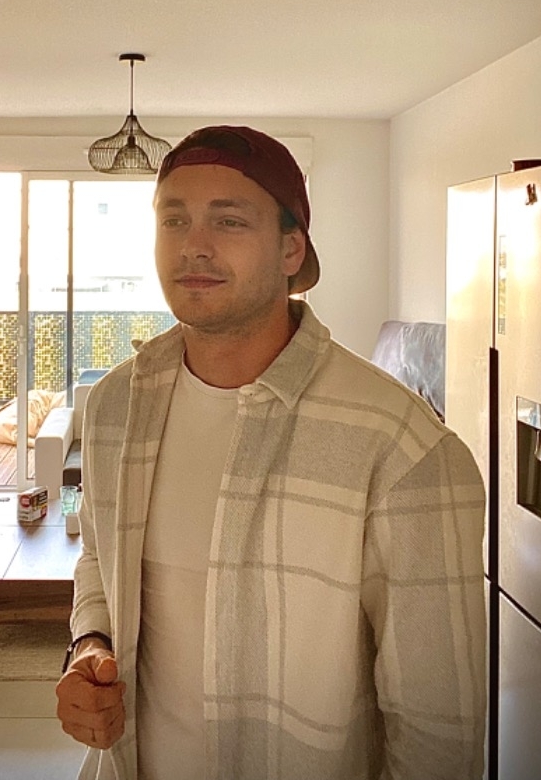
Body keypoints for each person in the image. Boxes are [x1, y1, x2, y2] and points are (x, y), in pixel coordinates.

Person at [56, 125, 486, 780]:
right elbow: (96, 557)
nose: (193, 245)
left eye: (229, 221)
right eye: (174, 219)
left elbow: (437, 725)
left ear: (291, 248)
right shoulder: (116, 404)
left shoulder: (401, 447)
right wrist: (90, 643)